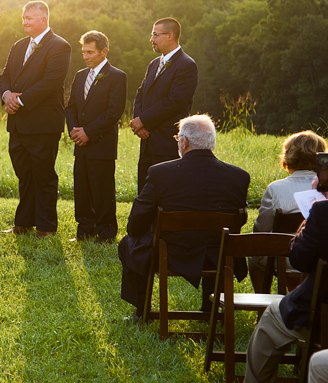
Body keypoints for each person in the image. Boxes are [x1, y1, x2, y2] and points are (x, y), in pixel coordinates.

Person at [118, 114, 249, 320]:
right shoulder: (239, 176)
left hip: (171, 255)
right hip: (219, 255)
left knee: (130, 243)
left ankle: (142, 311)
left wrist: (139, 233)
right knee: (210, 243)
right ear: (211, 143)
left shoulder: (160, 173)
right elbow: (240, 220)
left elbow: (137, 219)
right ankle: (211, 307)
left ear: (184, 142)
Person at [244, 165, 328, 383]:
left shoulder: (321, 210)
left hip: (318, 311)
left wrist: (314, 211)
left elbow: (299, 259)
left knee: (271, 318)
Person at [0, 1, 71, 237]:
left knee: (43, 174)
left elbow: (51, 82)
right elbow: (5, 75)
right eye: (23, 17)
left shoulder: (60, 46)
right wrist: (6, 94)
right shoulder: (18, 46)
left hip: (43, 123)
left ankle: (47, 226)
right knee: (24, 174)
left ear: (44, 19)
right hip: (17, 123)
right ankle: (23, 222)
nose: (25, 21)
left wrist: (19, 101)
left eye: (30, 17)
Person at [64, 30, 127, 244]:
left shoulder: (117, 76)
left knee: (102, 188)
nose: (86, 56)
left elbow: (113, 112)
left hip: (101, 143)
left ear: (104, 51)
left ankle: (106, 232)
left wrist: (88, 132)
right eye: (84, 52)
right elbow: (71, 106)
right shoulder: (80, 75)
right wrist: (74, 129)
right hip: (80, 143)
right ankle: (84, 230)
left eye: (90, 52)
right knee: (81, 187)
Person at [248, 130, 326, 292]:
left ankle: (262, 305)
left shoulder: (275, 188)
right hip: (320, 257)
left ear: (288, 157)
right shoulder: (324, 188)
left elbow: (260, 231)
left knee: (254, 257)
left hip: (285, 257)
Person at [130, 17, 197, 194]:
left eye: (155, 35)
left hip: (167, 143)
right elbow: (140, 94)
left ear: (170, 35)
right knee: (144, 193)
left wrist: (143, 120)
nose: (151, 39)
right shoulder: (153, 64)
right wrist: (138, 122)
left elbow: (173, 102)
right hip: (147, 142)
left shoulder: (187, 65)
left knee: (165, 194)